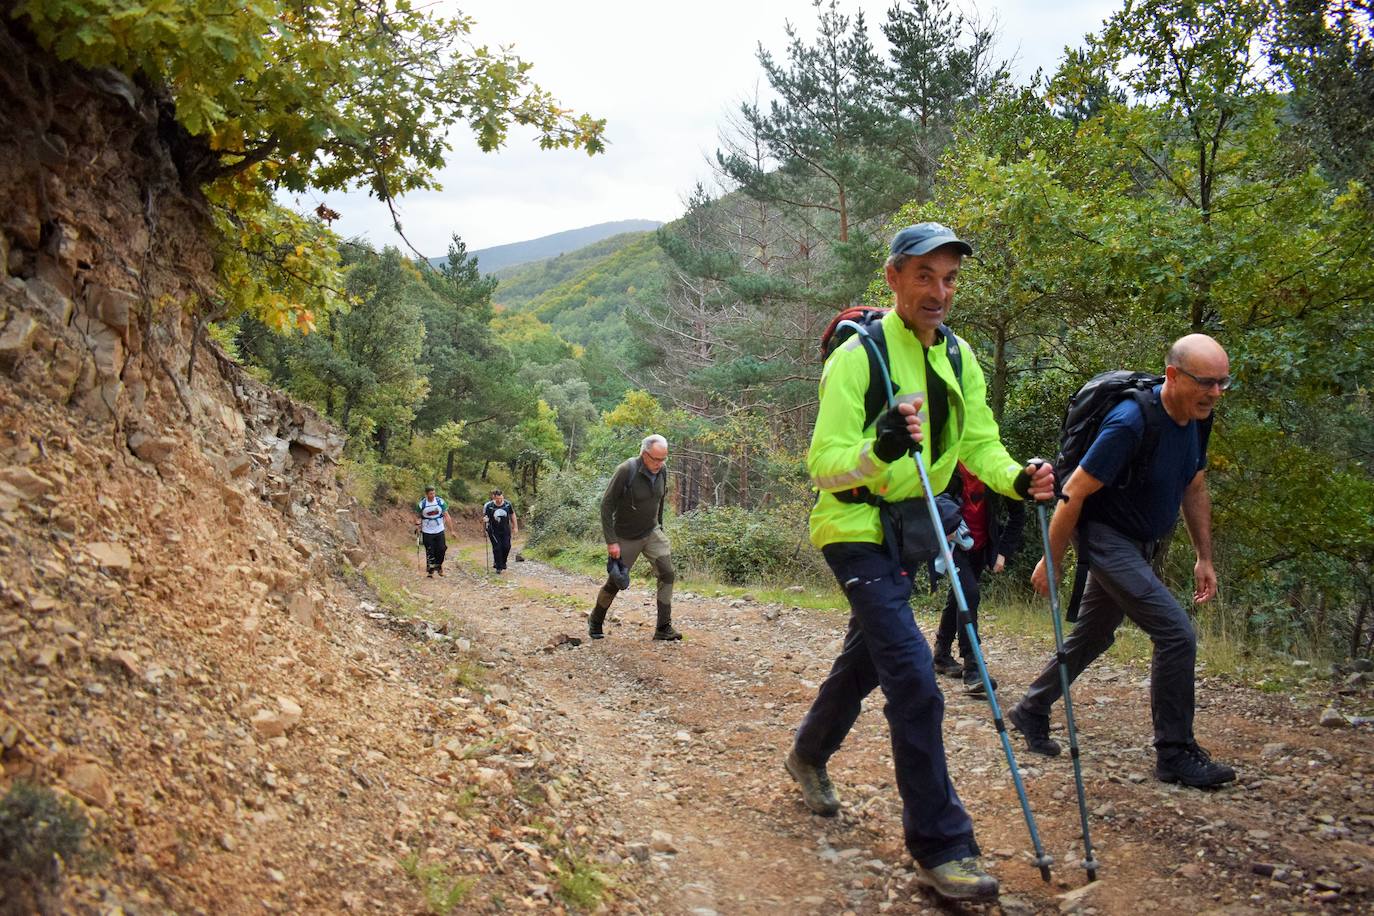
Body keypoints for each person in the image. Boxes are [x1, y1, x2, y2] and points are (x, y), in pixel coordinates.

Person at [786, 222, 1055, 902]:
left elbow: (981, 445)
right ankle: (943, 848)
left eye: (950, 279)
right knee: (915, 679)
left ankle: (807, 755)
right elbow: (823, 466)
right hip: (852, 524)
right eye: (926, 276)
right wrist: (877, 451)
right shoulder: (859, 358)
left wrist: (1017, 479)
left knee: (870, 658)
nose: (940, 291)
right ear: (895, 277)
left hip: (913, 529)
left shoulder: (961, 358)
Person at [1008, 334, 1236, 789]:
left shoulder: (1197, 416)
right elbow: (1071, 493)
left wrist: (1204, 556)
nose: (1215, 393)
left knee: (1092, 636)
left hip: (1139, 544)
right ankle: (1174, 752)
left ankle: (1031, 708)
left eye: (1223, 383)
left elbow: (1193, 486)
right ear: (1173, 376)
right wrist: (1052, 562)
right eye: (1206, 382)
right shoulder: (1129, 423)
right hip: (1106, 541)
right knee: (1176, 634)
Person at [931, 463, 1025, 696]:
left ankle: (941, 655)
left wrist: (1003, 551)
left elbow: (1018, 513)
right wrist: (943, 526)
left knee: (959, 598)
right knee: (969, 595)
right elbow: (927, 499)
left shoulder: (994, 468)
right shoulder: (949, 467)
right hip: (954, 546)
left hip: (981, 548)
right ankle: (973, 669)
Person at [588, 434, 680, 641]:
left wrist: (660, 526)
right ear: (644, 453)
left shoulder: (662, 470)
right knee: (615, 582)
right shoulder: (626, 471)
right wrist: (612, 541)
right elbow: (606, 505)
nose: (660, 464)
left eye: (663, 459)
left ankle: (663, 627)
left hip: (652, 531)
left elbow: (660, 500)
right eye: (655, 459)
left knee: (667, 574)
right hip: (626, 536)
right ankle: (595, 619)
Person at [414, 485, 453, 578]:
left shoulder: (440, 502)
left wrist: (452, 530)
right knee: (430, 550)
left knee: (442, 548)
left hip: (439, 528)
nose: (433, 495)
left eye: (434, 493)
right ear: (426, 494)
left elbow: (447, 516)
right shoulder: (422, 504)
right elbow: (417, 516)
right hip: (427, 530)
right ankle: (431, 570)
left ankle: (439, 566)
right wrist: (417, 524)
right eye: (431, 493)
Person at [483, 489, 518, 573]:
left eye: (501, 498)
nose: (499, 500)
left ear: (503, 497)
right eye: (497, 498)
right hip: (493, 530)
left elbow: (512, 514)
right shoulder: (489, 506)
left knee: (507, 546)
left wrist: (515, 526)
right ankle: (498, 566)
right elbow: (485, 517)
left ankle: (503, 562)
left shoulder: (507, 504)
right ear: (493, 497)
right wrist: (485, 522)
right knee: (497, 547)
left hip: (505, 529)